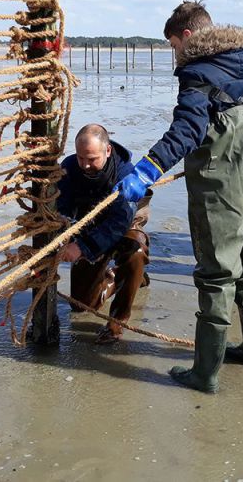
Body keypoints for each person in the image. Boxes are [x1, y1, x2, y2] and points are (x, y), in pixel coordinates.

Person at [115, 1, 243, 393]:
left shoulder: (196, 73)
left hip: (223, 185)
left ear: (189, 36)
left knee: (216, 274)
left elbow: (186, 132)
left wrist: (147, 169)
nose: (173, 53)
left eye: (172, 44)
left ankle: (204, 374)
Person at [56, 124, 152, 344]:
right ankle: (126, 277)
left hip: (125, 221)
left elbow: (119, 223)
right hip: (89, 221)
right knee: (81, 305)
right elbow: (61, 208)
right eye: (81, 158)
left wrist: (82, 247)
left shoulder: (125, 173)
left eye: (92, 159)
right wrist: (65, 235)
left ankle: (117, 322)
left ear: (107, 151)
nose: (85, 165)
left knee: (135, 251)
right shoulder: (69, 168)